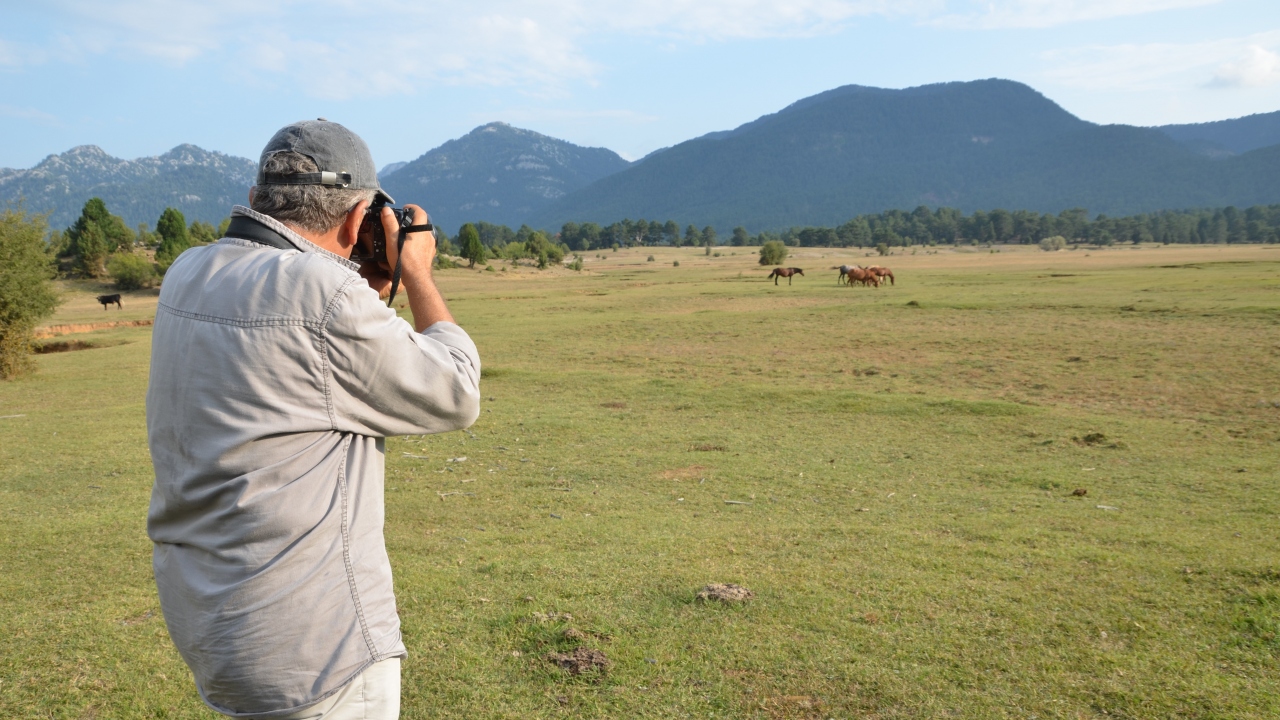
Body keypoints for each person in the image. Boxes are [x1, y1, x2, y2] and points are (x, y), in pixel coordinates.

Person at [145, 119, 480, 719]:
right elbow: (453, 392)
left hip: (214, 622)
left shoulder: (187, 272)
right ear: (357, 221)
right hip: (313, 646)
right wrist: (418, 273)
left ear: (255, 201)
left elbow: (303, 368)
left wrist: (369, 290)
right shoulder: (324, 295)